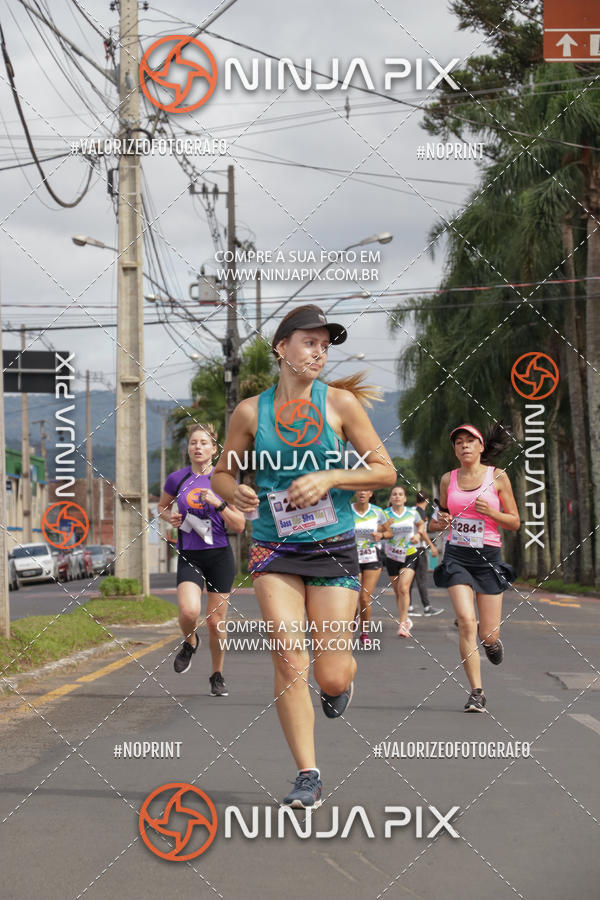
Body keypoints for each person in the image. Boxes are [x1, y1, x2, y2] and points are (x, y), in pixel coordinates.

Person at [212, 304, 396, 808]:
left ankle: (340, 681)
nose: (319, 352)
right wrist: (236, 493)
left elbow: (385, 472)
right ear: (281, 347)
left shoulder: (339, 405)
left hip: (334, 546)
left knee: (329, 673)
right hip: (274, 547)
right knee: (290, 657)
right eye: (310, 342)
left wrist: (333, 477)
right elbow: (222, 473)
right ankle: (308, 775)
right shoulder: (252, 411)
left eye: (324, 345)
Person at [430, 424, 519, 713]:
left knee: (487, 634)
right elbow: (440, 515)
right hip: (457, 556)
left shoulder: (498, 477)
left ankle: (492, 644)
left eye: (470, 441)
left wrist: (492, 513)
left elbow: (514, 522)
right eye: (458, 442)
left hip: (489, 558)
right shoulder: (448, 479)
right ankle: (476, 692)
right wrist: (438, 522)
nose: (464, 446)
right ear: (454, 450)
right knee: (467, 622)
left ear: (481, 447)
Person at [158, 423, 246, 696]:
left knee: (216, 623)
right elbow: (161, 506)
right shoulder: (177, 479)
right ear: (188, 448)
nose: (198, 447)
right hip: (190, 554)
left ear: (213, 449)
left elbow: (240, 524)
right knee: (187, 611)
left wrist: (218, 503)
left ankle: (217, 674)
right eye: (193, 443)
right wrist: (168, 516)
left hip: (219, 555)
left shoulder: (224, 481)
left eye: (204, 443)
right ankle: (189, 641)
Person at [383, 486, 426, 637]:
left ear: (405, 498)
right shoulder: (385, 514)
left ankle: (403, 624)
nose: (397, 496)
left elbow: (421, 524)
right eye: (394, 494)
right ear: (390, 498)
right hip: (392, 556)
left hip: (410, 554)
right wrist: (385, 528)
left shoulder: (412, 513)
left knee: (403, 588)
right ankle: (405, 617)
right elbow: (380, 531)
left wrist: (418, 535)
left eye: (400, 494)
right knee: (397, 592)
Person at [351, 489, 391, 648]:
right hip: (352, 557)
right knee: (352, 597)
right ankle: (354, 617)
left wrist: (381, 535)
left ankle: (364, 632)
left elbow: (389, 531)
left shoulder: (378, 512)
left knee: (365, 598)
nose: (362, 492)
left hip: (371, 557)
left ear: (371, 493)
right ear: (355, 492)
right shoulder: (348, 510)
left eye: (366, 490)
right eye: (359, 489)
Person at [409, 491, 441, 617]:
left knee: (409, 579)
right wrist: (432, 546)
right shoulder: (421, 513)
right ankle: (427, 607)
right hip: (419, 548)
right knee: (421, 579)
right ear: (427, 500)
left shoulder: (410, 510)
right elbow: (422, 532)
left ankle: (409, 606)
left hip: (409, 548)